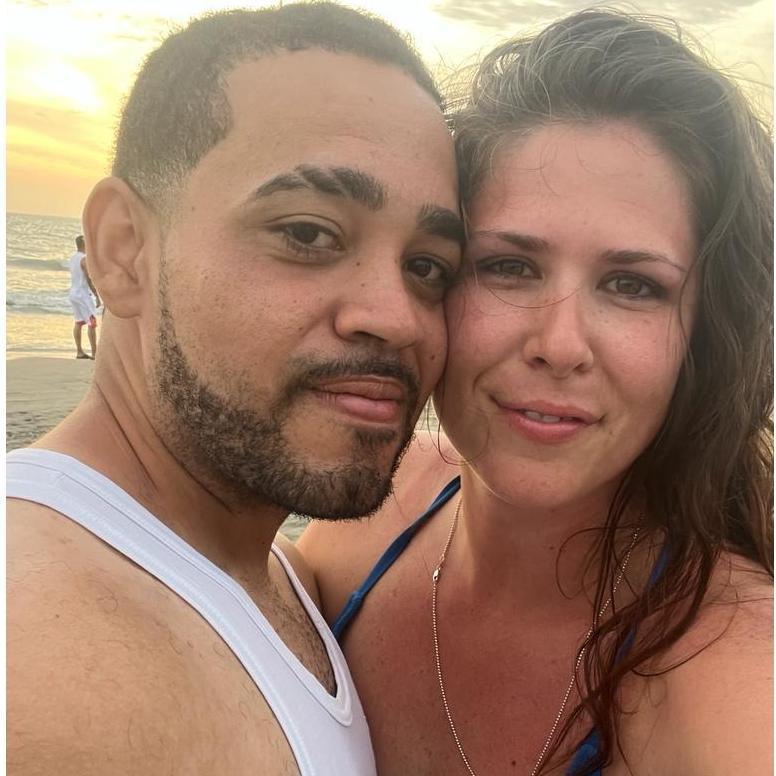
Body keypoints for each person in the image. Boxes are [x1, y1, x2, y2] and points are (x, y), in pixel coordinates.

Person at [300, 10, 773, 775]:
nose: (559, 343)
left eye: (632, 285)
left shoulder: (734, 685)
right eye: (509, 267)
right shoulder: (362, 522)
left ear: (704, 336)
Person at [7, 5, 463, 774]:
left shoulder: (269, 565)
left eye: (427, 266)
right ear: (122, 250)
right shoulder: (43, 670)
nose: (396, 317)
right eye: (308, 233)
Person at [68, 234, 100, 359]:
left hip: (73, 293)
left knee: (78, 322)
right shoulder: (84, 259)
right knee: (92, 323)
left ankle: (79, 351)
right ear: (84, 244)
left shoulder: (73, 258)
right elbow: (89, 279)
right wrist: (97, 295)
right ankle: (94, 353)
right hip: (83, 295)